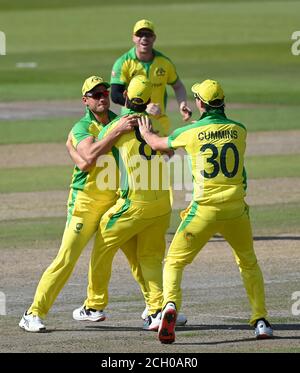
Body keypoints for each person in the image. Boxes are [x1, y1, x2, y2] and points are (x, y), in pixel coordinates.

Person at [138, 79, 274, 343]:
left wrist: (146, 133)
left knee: (175, 262)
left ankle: (170, 306)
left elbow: (159, 144)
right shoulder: (240, 130)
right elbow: (211, 135)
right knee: (248, 262)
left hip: (203, 211)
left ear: (199, 103)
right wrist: (194, 123)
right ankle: (261, 321)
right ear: (222, 102)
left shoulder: (191, 133)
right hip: (236, 210)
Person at [19, 76, 146, 332]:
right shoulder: (82, 127)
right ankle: (33, 313)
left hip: (115, 202)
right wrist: (115, 132)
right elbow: (87, 158)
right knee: (66, 258)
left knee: (138, 256)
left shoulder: (117, 119)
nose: (102, 98)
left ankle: (159, 308)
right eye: (95, 94)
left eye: (105, 93)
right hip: (85, 203)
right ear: (85, 100)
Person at [73, 75, 180, 331]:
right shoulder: (152, 123)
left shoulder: (119, 124)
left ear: (127, 98)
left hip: (133, 204)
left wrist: (71, 146)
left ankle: (94, 304)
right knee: (151, 258)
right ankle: (157, 310)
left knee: (103, 243)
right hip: (162, 205)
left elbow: (90, 153)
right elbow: (170, 151)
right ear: (149, 101)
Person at [110, 19, 192, 136]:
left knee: (163, 154)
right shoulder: (123, 62)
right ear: (133, 37)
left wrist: (183, 105)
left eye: (148, 34)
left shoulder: (164, 62)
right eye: (140, 34)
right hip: (131, 120)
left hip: (159, 121)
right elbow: (115, 95)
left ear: (154, 38)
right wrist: (143, 106)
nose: (144, 38)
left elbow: (178, 86)